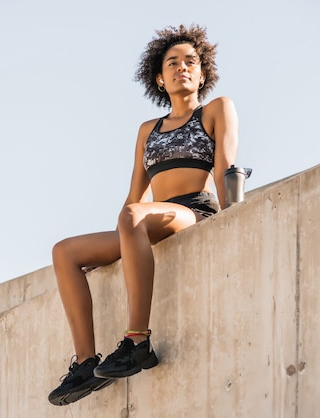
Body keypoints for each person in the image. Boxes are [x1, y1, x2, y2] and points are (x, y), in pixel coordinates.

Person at [48, 24, 239, 406]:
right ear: (159, 77)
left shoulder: (217, 109)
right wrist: (121, 234)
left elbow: (225, 166)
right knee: (65, 251)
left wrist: (234, 214)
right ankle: (86, 363)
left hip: (193, 210)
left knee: (134, 215)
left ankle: (137, 340)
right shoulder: (147, 130)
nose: (182, 67)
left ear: (203, 74)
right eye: (172, 63)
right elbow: (134, 195)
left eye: (190, 62)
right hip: (147, 218)